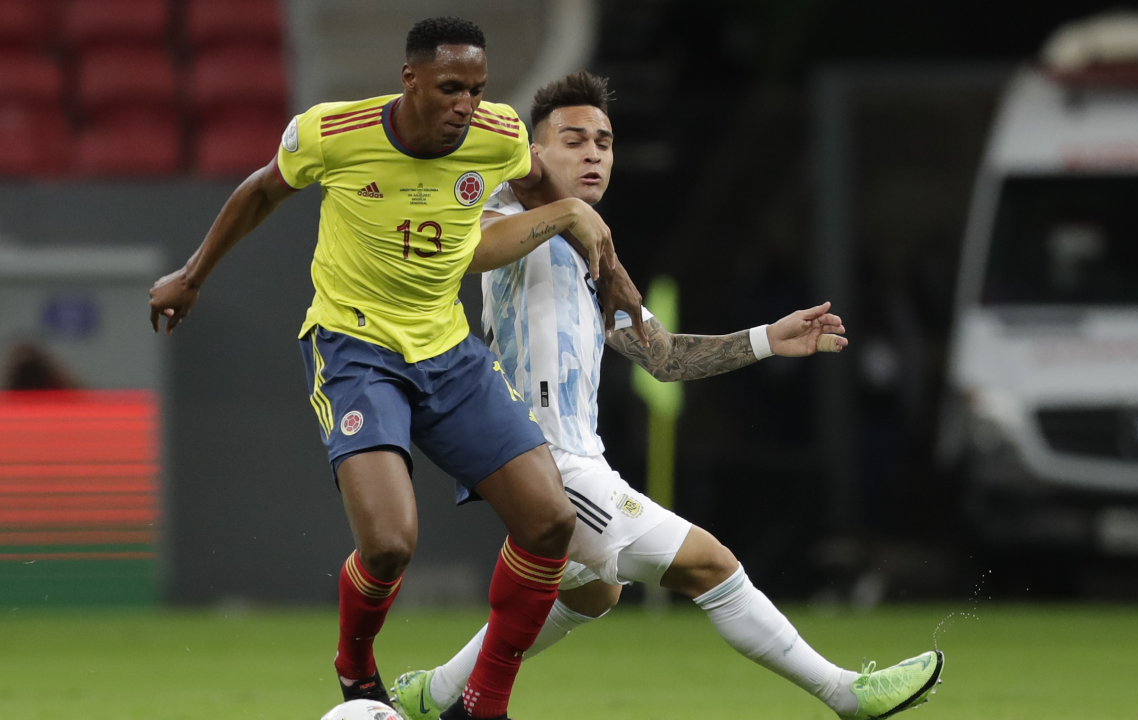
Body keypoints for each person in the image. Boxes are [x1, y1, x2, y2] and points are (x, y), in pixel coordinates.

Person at [391, 71, 944, 720]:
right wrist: (561, 209)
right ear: (535, 153)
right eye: (574, 139)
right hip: (543, 460)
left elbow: (664, 357)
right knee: (711, 564)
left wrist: (770, 338)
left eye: (605, 140)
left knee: (592, 594)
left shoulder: (592, 256)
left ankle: (433, 694)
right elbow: (473, 250)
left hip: (579, 457)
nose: (594, 152)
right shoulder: (510, 216)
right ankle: (844, 693)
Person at [148, 19, 645, 720]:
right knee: (388, 545)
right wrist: (193, 276)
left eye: (475, 89)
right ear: (409, 80)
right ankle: (354, 664)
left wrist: (603, 259)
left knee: (548, 523)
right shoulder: (333, 132)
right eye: (449, 89)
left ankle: (482, 705)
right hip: (353, 350)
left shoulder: (497, 134)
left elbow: (541, 190)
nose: (464, 105)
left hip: (448, 351)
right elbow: (261, 190)